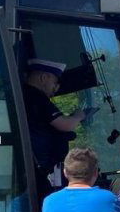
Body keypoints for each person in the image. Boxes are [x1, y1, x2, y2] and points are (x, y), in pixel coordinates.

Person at [23, 58, 97, 193]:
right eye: (55, 82)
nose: (56, 88)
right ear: (44, 77)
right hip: (33, 168)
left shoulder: (25, 94)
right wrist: (79, 115)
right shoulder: (36, 96)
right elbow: (65, 125)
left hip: (32, 167)